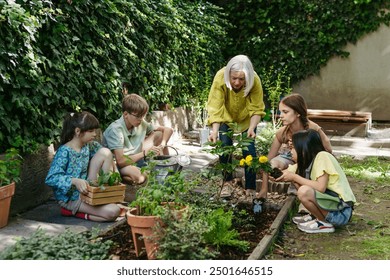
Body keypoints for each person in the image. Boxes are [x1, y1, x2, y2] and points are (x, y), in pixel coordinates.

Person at [207, 54, 265, 198]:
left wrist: (252, 127)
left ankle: (251, 187)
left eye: (241, 79)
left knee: (249, 150)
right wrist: (214, 131)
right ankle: (227, 183)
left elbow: (257, 108)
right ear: (228, 75)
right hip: (226, 117)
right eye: (234, 78)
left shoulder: (254, 80)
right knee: (225, 147)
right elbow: (215, 106)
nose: (237, 82)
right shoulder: (220, 78)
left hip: (247, 119)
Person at [45, 111, 121, 222]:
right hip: (70, 198)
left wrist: (116, 171)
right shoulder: (64, 151)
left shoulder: (88, 146)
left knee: (105, 151)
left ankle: (104, 194)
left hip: (86, 191)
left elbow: (106, 155)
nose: (95, 134)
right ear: (77, 131)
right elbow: (51, 178)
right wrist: (74, 181)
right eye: (90, 131)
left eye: (95, 130)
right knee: (113, 212)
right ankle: (72, 211)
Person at [276, 129, 356, 233]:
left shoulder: (322, 156)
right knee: (297, 181)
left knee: (303, 190)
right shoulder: (306, 163)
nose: (290, 152)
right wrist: (272, 172)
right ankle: (316, 216)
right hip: (333, 207)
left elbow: (320, 187)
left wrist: (294, 177)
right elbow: (284, 173)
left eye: (293, 148)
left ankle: (323, 223)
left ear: (304, 149)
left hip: (341, 212)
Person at [259, 93, 332, 199]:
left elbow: (328, 150)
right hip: (290, 156)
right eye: (280, 111)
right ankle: (289, 179)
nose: (281, 116)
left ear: (298, 113)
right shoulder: (282, 132)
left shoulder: (313, 128)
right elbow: (268, 159)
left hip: (310, 159)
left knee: (305, 161)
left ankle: (302, 188)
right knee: (272, 163)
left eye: (285, 112)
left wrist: (308, 151)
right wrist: (264, 189)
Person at [102, 93, 173, 184]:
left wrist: (163, 144)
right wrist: (144, 153)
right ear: (126, 114)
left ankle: (167, 166)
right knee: (140, 177)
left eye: (143, 115)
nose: (141, 119)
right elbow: (120, 161)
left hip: (136, 158)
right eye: (138, 116)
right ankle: (121, 178)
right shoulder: (115, 130)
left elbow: (168, 130)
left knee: (159, 134)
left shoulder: (140, 123)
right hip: (118, 165)